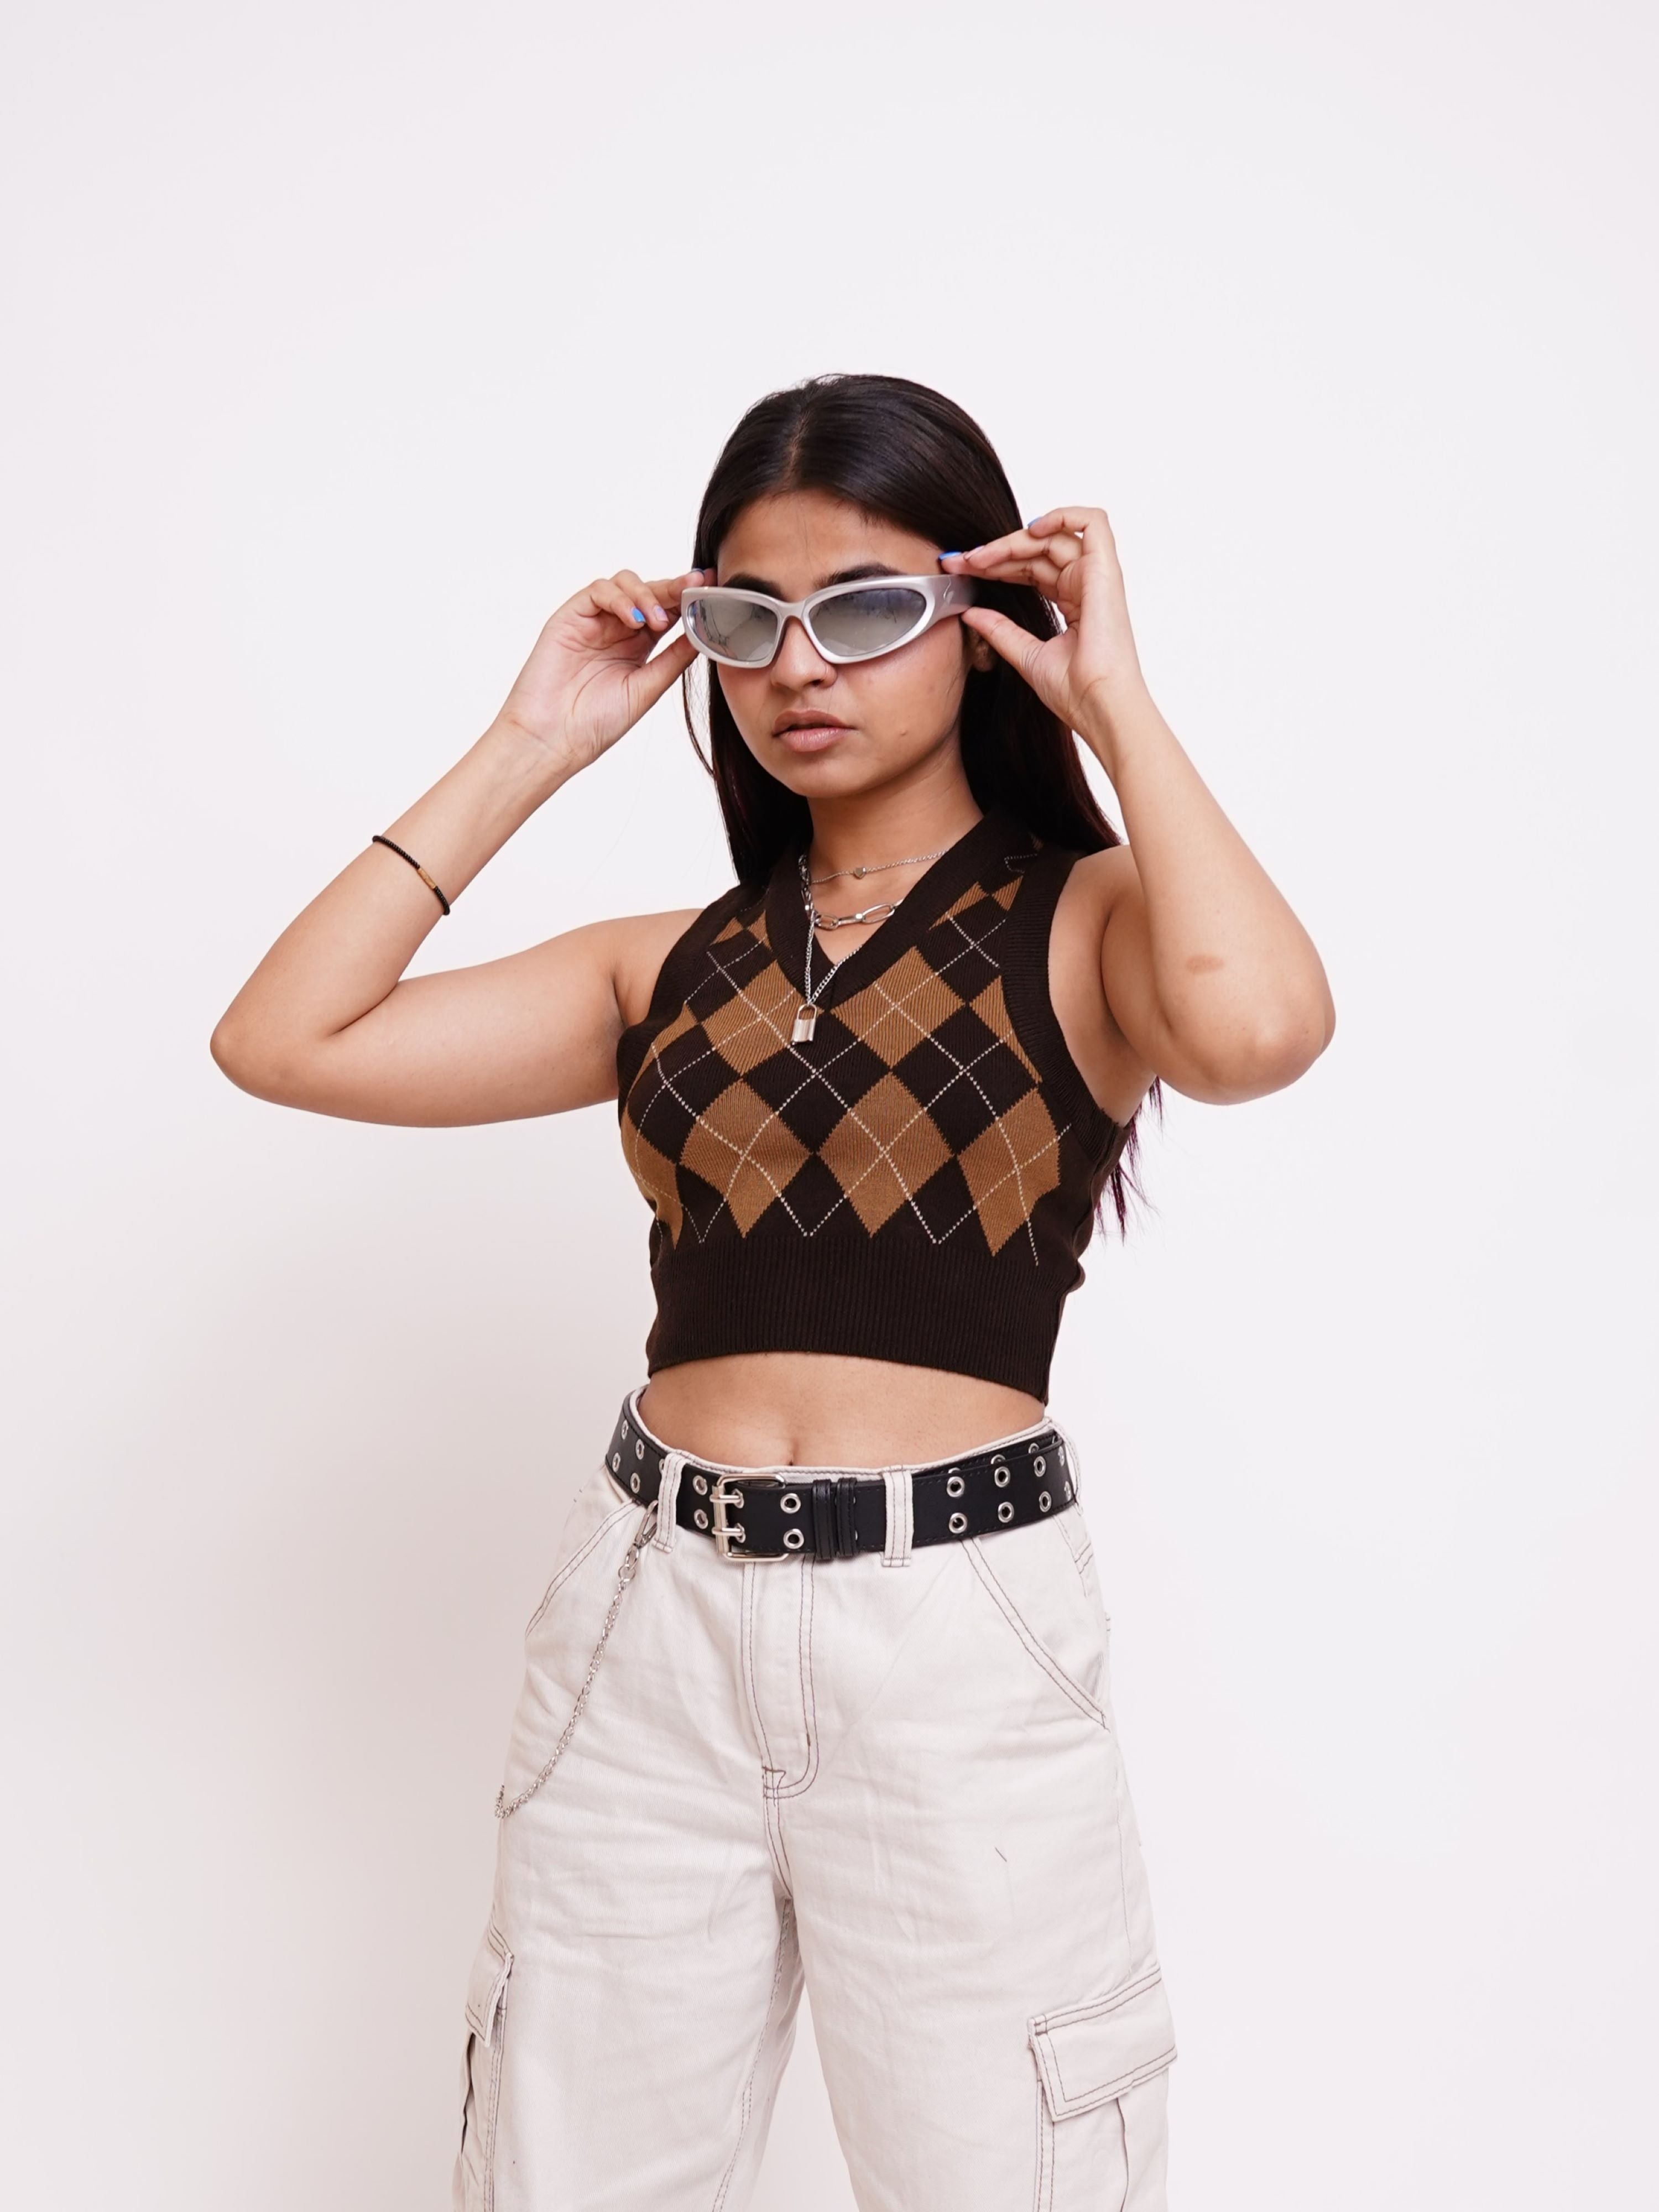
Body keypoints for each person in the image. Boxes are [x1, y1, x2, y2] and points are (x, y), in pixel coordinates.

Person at [211, 373, 1334, 2212]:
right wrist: (530, 741)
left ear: (982, 619)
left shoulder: (1091, 922)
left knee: (1013, 2178)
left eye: (868, 609)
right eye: (749, 620)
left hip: (953, 1631)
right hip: (647, 1621)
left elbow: (1260, 1031)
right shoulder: (664, 967)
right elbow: (284, 1039)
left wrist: (1119, 705)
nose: (800, 667)